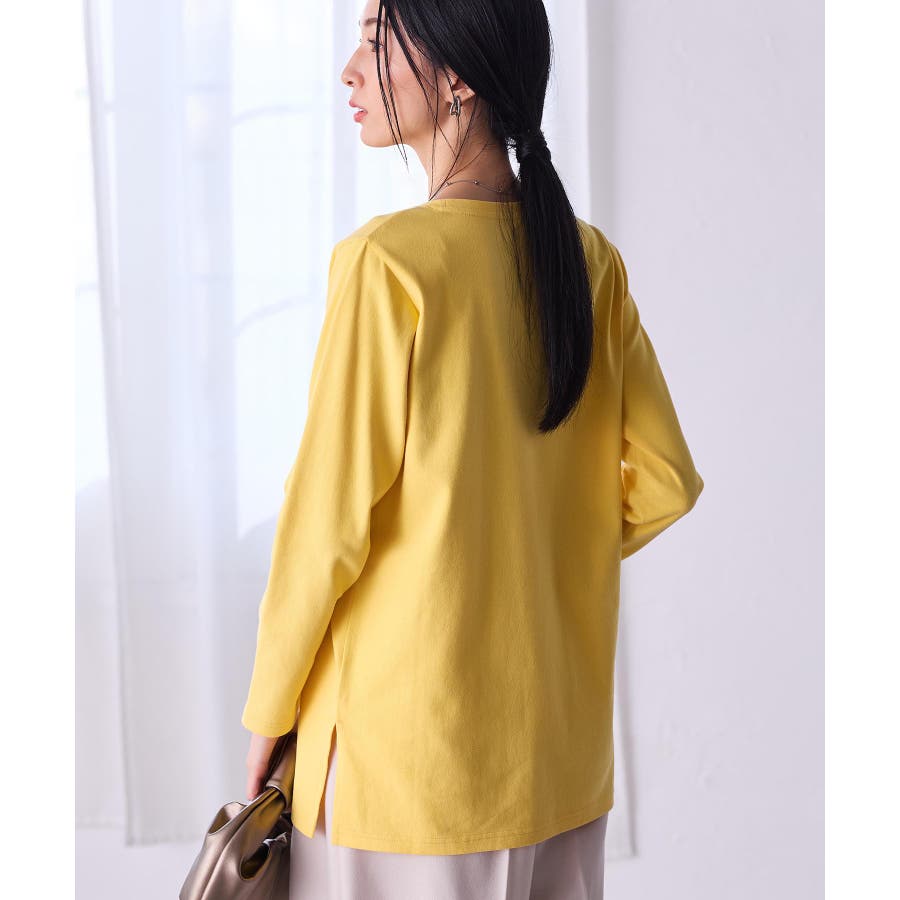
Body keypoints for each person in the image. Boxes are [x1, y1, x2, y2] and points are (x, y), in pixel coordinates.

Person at [242, 0, 705, 897]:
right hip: (559, 767)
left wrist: (268, 714)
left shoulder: (389, 262)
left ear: (457, 78)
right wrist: (532, 550)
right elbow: (665, 480)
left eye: (376, 40)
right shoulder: (589, 261)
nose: (350, 68)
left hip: (405, 765)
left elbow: (323, 525)